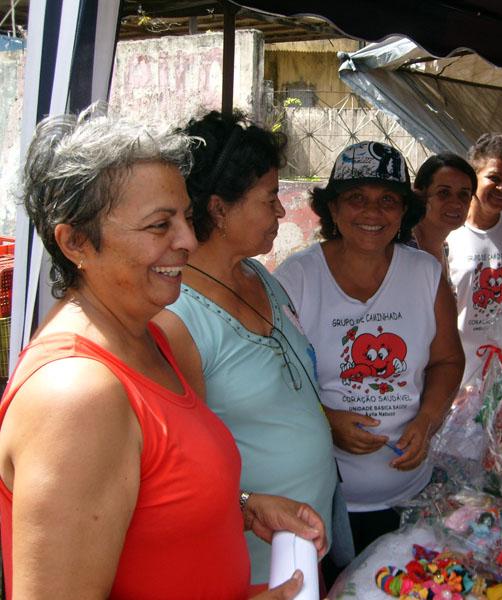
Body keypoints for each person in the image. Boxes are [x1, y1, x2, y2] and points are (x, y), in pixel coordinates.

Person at [0, 107, 325, 599]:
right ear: (76, 242)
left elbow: (153, 495)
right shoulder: (77, 395)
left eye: (186, 218)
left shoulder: (145, 338)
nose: (189, 240)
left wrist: (240, 505)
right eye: (159, 225)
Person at [153, 111, 338, 592]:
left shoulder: (259, 276)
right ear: (218, 209)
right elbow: (177, 472)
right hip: (249, 568)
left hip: (302, 545)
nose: (281, 212)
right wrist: (245, 504)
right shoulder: (177, 320)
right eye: (269, 198)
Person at [275, 141, 464, 554]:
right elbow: (274, 379)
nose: (372, 213)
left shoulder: (426, 274)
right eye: (356, 198)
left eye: (388, 201)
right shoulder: (296, 278)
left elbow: (447, 361)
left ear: (404, 211)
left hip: (409, 497)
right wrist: (326, 420)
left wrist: (427, 421)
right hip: (321, 501)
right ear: (333, 208)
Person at [445, 133, 502, 386]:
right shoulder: (447, 232)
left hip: (501, 372)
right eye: (494, 178)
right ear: (473, 177)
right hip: (453, 371)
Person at [410, 152, 477, 282]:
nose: (455, 203)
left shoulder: (444, 248)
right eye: (444, 193)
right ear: (421, 195)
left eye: (464, 194)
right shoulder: (403, 249)